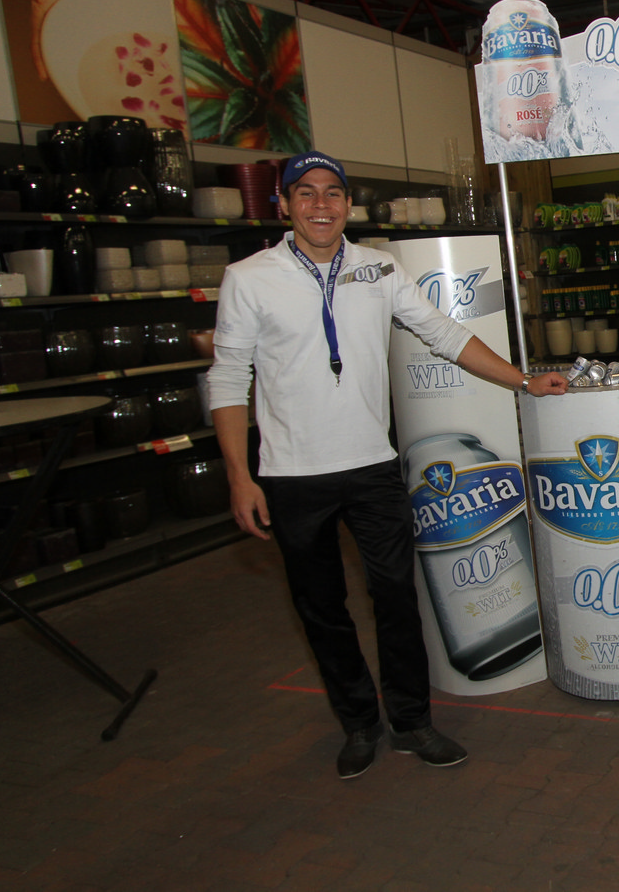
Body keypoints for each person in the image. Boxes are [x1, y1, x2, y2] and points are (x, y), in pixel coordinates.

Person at [208, 150, 567, 779]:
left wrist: (523, 380)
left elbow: (444, 333)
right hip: (291, 476)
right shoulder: (249, 278)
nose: (321, 205)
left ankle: (411, 721)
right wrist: (240, 476)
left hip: (373, 466)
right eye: (306, 193)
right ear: (284, 205)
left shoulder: (378, 268)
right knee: (322, 609)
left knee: (397, 599)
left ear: (349, 204)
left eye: (333, 193)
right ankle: (358, 723)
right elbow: (229, 377)